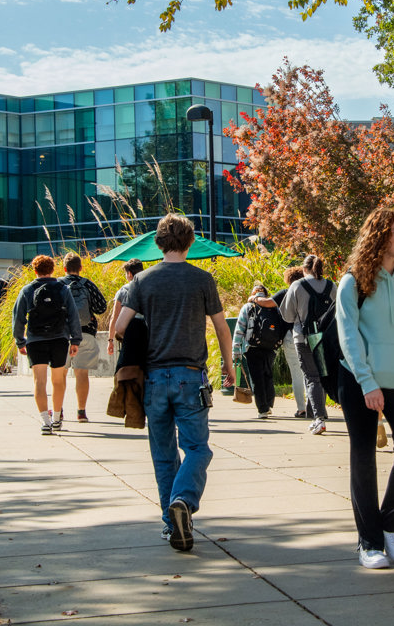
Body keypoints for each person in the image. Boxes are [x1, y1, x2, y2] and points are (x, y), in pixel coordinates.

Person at [111, 213, 235, 552]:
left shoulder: (142, 281)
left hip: (154, 379)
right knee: (197, 448)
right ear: (190, 242)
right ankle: (183, 500)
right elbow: (222, 328)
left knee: (163, 454)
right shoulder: (202, 280)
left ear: (159, 242)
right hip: (190, 376)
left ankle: (172, 525)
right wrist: (229, 366)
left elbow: (121, 326)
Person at [335, 207, 394, 570]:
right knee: (364, 458)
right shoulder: (354, 280)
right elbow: (348, 336)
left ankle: (390, 520)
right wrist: (367, 382)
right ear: (378, 235)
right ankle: (369, 542)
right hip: (359, 380)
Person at [12, 255, 82, 434]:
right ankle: (57, 418)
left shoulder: (27, 290)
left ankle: (45, 422)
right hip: (59, 339)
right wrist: (75, 340)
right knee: (58, 381)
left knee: (39, 381)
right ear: (53, 270)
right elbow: (73, 316)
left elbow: (18, 318)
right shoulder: (62, 289)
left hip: (35, 340)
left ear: (35, 271)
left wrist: (20, 341)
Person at [281, 254, 334, 435]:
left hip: (303, 337)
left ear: (304, 269)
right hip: (324, 338)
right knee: (322, 375)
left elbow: (287, 316)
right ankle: (318, 413)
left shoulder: (297, 286)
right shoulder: (331, 286)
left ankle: (318, 418)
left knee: (311, 377)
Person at [59, 252, 109, 423]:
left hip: (62, 335)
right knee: (82, 374)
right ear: (80, 268)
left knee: (60, 375)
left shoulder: (58, 284)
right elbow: (102, 306)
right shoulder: (87, 284)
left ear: (64, 268)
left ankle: (59, 411)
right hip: (85, 333)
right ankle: (81, 412)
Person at [231, 282, 278, 418]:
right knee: (268, 375)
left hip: (252, 347)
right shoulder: (272, 306)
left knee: (257, 378)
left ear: (253, 294)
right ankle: (268, 404)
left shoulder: (248, 307)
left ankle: (262, 409)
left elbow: (239, 329)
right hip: (270, 346)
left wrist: (236, 351)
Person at [278, 267, 309, 418]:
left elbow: (282, 313)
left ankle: (301, 408)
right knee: (310, 374)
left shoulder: (288, 292)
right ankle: (313, 406)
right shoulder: (310, 290)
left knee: (296, 374)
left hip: (292, 335)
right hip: (310, 334)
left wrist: (256, 298)